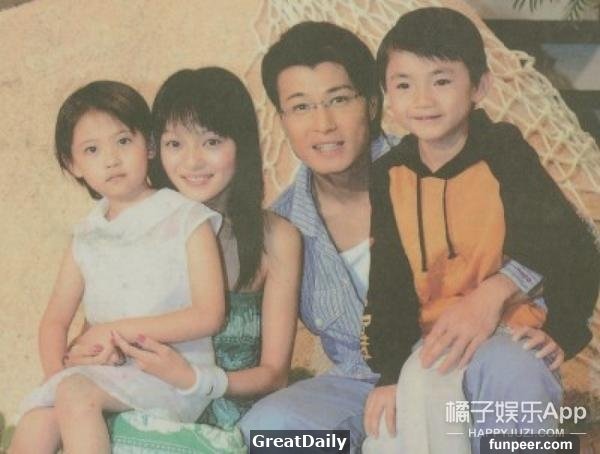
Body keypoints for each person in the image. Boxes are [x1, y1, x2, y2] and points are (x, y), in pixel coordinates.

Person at [238, 21, 547, 452]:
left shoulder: (437, 158)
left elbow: (564, 240)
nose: (324, 124)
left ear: (371, 102)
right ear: (282, 120)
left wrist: (502, 295)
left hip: (470, 358)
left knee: (516, 371)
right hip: (360, 388)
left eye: (339, 99)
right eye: (301, 107)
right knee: (270, 429)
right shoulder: (281, 226)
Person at [363, 7, 600, 453]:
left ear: (480, 86)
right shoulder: (388, 174)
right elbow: (388, 280)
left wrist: (560, 330)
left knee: (514, 381)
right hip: (435, 342)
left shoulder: (504, 151)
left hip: (513, 330)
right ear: (387, 95)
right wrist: (389, 372)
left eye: (441, 80)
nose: (423, 99)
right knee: (404, 416)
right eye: (404, 84)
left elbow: (572, 243)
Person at [66, 67, 301, 452]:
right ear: (154, 148)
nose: (192, 162)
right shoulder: (131, 227)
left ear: (241, 144)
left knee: (318, 441)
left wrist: (195, 378)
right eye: (175, 144)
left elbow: (275, 374)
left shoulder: (278, 237)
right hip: (142, 410)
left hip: (242, 419)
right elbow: (95, 334)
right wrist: (86, 352)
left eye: (211, 142)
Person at [10, 80, 227, 454]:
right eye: (92, 149)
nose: (111, 159)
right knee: (37, 419)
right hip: (103, 373)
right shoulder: (86, 236)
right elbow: (54, 321)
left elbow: (209, 315)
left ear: (150, 145)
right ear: (73, 164)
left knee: (75, 394)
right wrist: (59, 373)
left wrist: (113, 332)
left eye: (123, 141)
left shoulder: (186, 218)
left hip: (171, 374)